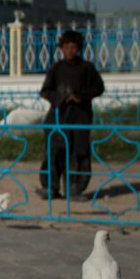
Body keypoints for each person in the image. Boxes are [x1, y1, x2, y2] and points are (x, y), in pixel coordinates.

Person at [38, 30, 105, 200]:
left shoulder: (87, 68)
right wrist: (61, 99)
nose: (70, 50)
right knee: (55, 152)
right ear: (61, 48)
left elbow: (99, 88)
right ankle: (50, 187)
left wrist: (80, 96)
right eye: (66, 46)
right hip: (58, 117)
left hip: (80, 117)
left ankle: (74, 189)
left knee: (79, 152)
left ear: (79, 48)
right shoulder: (56, 68)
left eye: (73, 47)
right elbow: (45, 91)